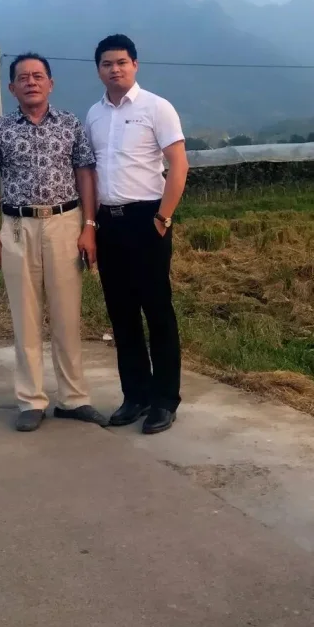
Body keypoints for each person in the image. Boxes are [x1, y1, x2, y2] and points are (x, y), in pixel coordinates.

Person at [0, 53, 107, 432]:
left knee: (67, 316)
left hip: (65, 224)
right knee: (26, 317)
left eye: (38, 76)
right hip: (18, 226)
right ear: (12, 87)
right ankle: (31, 400)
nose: (31, 82)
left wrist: (89, 226)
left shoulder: (70, 124)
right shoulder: (0, 128)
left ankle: (74, 399)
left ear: (51, 83)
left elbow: (85, 175)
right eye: (23, 77)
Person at [85, 34, 189, 434]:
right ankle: (136, 396)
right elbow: (90, 173)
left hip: (147, 219)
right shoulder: (93, 115)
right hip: (108, 223)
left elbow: (179, 165)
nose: (115, 69)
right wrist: (91, 225)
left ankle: (164, 400)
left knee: (157, 311)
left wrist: (163, 218)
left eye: (122, 62)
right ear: (98, 69)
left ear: (135, 65)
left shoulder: (156, 107)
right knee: (122, 313)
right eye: (107, 63)